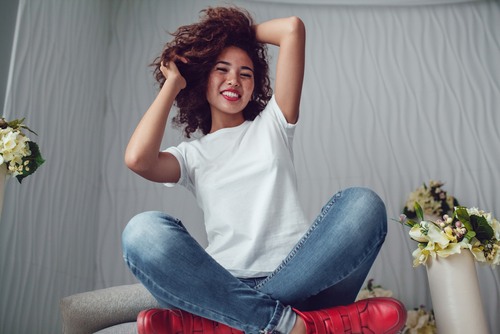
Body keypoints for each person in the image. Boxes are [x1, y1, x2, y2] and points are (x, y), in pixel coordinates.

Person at [123, 5, 406, 334]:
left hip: (300, 277)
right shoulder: (191, 155)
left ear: (255, 86)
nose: (234, 79)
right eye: (222, 69)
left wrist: (226, 36)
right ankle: (283, 323)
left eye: (246, 73)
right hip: (227, 280)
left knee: (364, 204)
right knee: (141, 232)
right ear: (202, 80)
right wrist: (174, 82)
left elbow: (291, 29)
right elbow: (138, 160)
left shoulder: (274, 123)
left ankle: (236, 321)